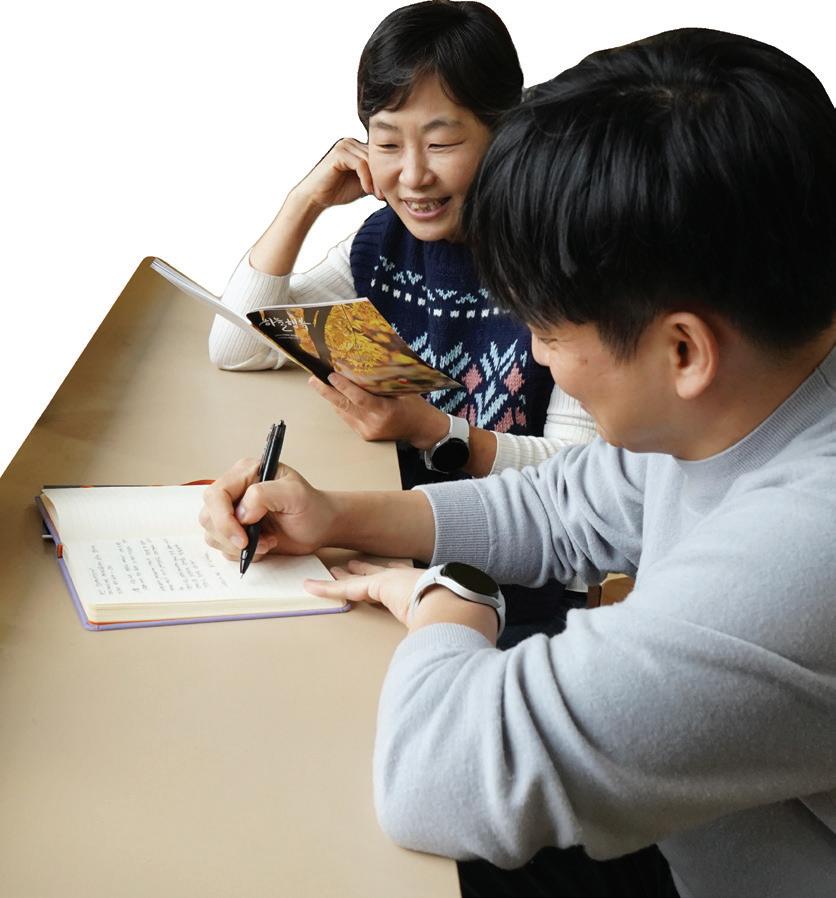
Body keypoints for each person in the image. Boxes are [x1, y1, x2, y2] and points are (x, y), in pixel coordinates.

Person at [199, 27, 836, 898]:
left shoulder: (800, 549)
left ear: (684, 350)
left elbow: (437, 780)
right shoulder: (757, 389)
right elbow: (564, 505)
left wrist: (448, 599)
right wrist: (336, 516)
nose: (535, 359)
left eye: (549, 332)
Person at [209, 0, 596, 636]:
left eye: (441, 143)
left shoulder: (559, 262)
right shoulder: (386, 244)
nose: (413, 175)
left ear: (505, 133)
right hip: (386, 556)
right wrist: (304, 201)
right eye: (387, 143)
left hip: (512, 597)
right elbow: (237, 344)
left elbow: (586, 477)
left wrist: (433, 430)